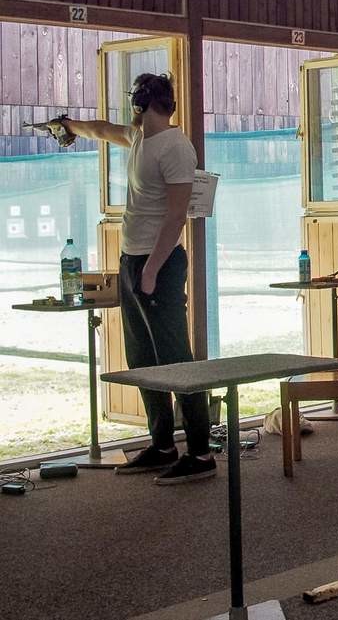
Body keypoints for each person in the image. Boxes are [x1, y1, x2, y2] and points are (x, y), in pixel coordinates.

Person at [59, 74, 215, 484]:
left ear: (141, 105)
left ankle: (200, 452)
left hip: (158, 264)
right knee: (142, 359)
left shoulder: (175, 148)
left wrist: (150, 270)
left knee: (176, 360)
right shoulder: (140, 137)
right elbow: (102, 130)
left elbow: (176, 217)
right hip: (133, 259)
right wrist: (69, 125)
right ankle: (162, 445)